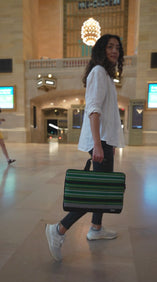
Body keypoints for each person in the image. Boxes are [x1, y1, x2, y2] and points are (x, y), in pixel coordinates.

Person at [46, 34, 125, 261]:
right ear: (101, 50)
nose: (114, 51)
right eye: (110, 47)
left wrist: (105, 143)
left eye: (117, 48)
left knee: (102, 188)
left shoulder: (106, 75)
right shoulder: (99, 73)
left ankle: (96, 229)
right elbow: (93, 109)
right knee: (97, 193)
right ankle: (58, 229)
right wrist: (98, 145)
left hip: (105, 140)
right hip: (101, 141)